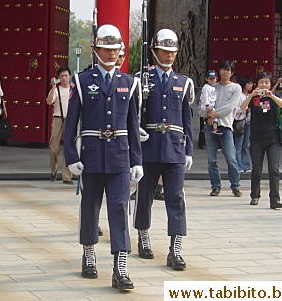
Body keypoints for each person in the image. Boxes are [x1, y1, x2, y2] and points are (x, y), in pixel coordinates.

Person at [64, 24, 142, 290]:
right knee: (90, 207)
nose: (110, 54)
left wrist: (137, 160)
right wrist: (71, 156)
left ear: (121, 51)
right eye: (105, 49)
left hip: (119, 155)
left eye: (115, 49)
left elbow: (133, 125)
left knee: (120, 210)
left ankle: (121, 268)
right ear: (95, 49)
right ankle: (88, 253)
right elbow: (70, 122)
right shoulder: (82, 81)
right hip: (92, 154)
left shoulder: (129, 83)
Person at [133, 29, 193, 271]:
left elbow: (187, 120)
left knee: (176, 199)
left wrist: (188, 149)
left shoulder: (184, 82)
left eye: (172, 52)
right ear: (154, 51)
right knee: (144, 196)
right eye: (164, 51)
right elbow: (133, 115)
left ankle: (175, 249)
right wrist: (136, 130)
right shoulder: (142, 80)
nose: (169, 56)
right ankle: (143, 237)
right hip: (148, 147)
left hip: (175, 149)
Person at [240, 72, 282, 209]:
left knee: (274, 169)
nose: (264, 85)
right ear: (257, 84)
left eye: (266, 82)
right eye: (261, 82)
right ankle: (255, 195)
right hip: (256, 139)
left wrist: (271, 95)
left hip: (273, 139)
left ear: (270, 84)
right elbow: (242, 107)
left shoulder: (273, 98)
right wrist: (252, 95)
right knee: (256, 170)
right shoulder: (254, 99)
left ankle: (274, 199)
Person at [202, 60, 242, 197]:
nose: (225, 72)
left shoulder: (236, 88)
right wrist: (207, 114)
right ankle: (215, 186)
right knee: (212, 159)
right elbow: (201, 104)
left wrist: (214, 114)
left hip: (225, 126)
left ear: (232, 73)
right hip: (209, 126)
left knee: (231, 158)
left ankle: (235, 186)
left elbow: (231, 106)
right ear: (219, 71)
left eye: (228, 70)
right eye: (223, 69)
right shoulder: (211, 86)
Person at [46, 66, 73, 184]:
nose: (64, 78)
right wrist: (53, 87)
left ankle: (67, 177)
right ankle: (53, 170)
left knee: (68, 149)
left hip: (71, 120)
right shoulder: (57, 90)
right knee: (54, 149)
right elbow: (49, 101)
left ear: (70, 76)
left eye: (66, 75)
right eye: (61, 76)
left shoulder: (74, 90)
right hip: (58, 119)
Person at [233, 76, 253, 173]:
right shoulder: (239, 95)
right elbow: (235, 109)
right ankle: (238, 165)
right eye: (249, 84)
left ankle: (246, 165)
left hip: (248, 122)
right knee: (238, 145)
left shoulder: (250, 95)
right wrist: (244, 109)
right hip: (240, 121)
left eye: (251, 84)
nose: (250, 86)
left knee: (246, 145)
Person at [200, 70, 221, 134]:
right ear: (206, 79)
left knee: (214, 117)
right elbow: (205, 96)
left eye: (213, 78)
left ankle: (214, 128)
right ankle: (214, 129)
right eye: (210, 78)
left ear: (216, 79)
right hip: (208, 105)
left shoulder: (213, 87)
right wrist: (207, 105)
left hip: (211, 105)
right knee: (214, 115)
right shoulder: (206, 87)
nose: (212, 80)